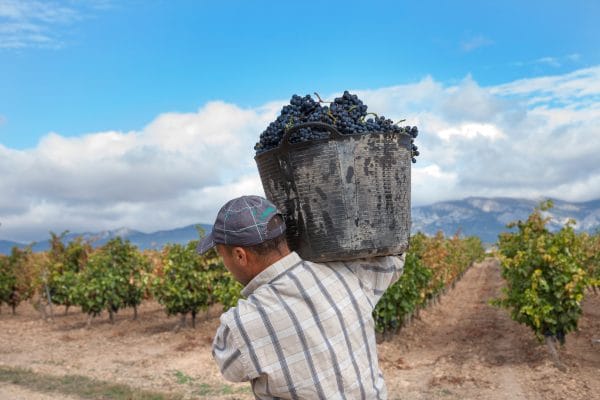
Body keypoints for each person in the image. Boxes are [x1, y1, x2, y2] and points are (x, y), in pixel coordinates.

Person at [197, 195, 405, 399]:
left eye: (221, 254)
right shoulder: (347, 273)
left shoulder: (242, 324)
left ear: (240, 256)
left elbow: (228, 366)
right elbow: (395, 261)